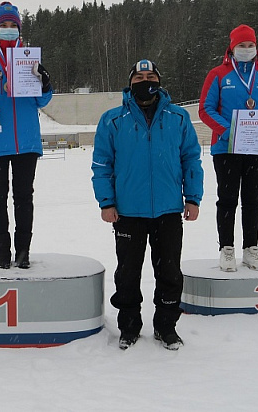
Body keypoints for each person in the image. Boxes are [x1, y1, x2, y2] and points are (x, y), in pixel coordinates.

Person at [91, 60, 203, 351]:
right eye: (139, 77)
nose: (145, 81)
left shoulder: (178, 118)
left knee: (169, 274)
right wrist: (106, 202)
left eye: (150, 76)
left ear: (159, 81)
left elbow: (191, 159)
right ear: (130, 83)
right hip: (128, 212)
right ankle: (129, 327)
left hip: (168, 210)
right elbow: (102, 164)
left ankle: (166, 327)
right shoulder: (112, 120)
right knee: (127, 274)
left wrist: (192, 198)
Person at [0, 1, 53, 269]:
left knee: (24, 197)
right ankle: (3, 253)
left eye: (13, 25)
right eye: (4, 25)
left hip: (26, 141)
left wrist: (46, 83)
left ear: (19, 28)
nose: (8, 29)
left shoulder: (29, 58)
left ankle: (23, 252)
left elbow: (42, 101)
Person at [198, 24, 258, 272]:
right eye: (241, 46)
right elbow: (205, 109)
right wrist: (229, 130)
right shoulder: (218, 75)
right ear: (232, 48)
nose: (246, 50)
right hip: (226, 148)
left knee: (253, 200)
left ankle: (251, 250)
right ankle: (227, 249)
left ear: (256, 48)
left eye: (250, 45)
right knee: (227, 200)